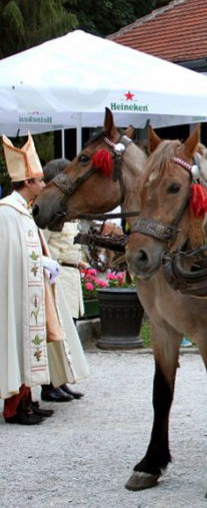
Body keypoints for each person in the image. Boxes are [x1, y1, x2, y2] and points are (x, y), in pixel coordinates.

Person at [0, 133, 59, 424]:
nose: (43, 185)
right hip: (16, 292)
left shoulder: (23, 211)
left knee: (30, 347)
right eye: (39, 179)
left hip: (30, 290)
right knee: (19, 345)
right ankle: (14, 408)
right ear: (27, 183)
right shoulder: (7, 212)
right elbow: (8, 256)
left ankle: (28, 399)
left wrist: (43, 262)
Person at [40, 158, 90, 402]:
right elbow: (44, 247)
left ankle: (61, 380)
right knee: (56, 332)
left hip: (70, 275)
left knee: (67, 333)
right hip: (58, 277)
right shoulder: (49, 214)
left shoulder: (64, 211)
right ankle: (50, 384)